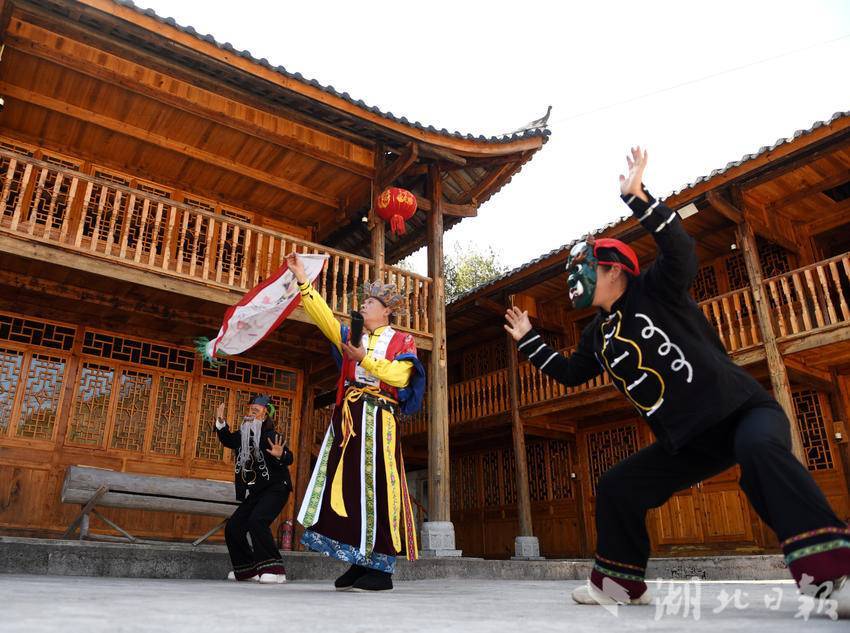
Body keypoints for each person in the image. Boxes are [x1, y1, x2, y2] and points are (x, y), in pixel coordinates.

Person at [504, 147, 850, 616]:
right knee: (618, 487)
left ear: (614, 270)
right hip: (688, 440)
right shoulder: (596, 336)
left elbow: (681, 250)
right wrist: (528, 339)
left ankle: (833, 576)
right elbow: (570, 374)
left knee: (760, 456)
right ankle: (620, 585)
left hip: (743, 411)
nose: (575, 279)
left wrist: (638, 197)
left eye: (585, 268)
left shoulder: (656, 288)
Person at [286, 251, 425, 592]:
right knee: (349, 486)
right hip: (350, 417)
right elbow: (323, 317)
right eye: (363, 301)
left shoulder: (402, 340)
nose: (364, 305)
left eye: (371, 302)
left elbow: (400, 376)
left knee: (381, 486)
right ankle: (359, 560)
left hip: (380, 417)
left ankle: (382, 567)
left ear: (387, 311)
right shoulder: (353, 335)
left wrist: (365, 359)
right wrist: (302, 279)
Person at [215, 394, 293, 584]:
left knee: (257, 521)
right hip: (257, 492)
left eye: (255, 411)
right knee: (234, 527)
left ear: (265, 415)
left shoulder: (270, 435)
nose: (250, 414)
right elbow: (228, 440)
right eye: (250, 410)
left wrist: (281, 455)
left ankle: (275, 570)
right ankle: (247, 570)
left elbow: (289, 457)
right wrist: (221, 423)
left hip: (276, 488)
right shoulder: (243, 434)